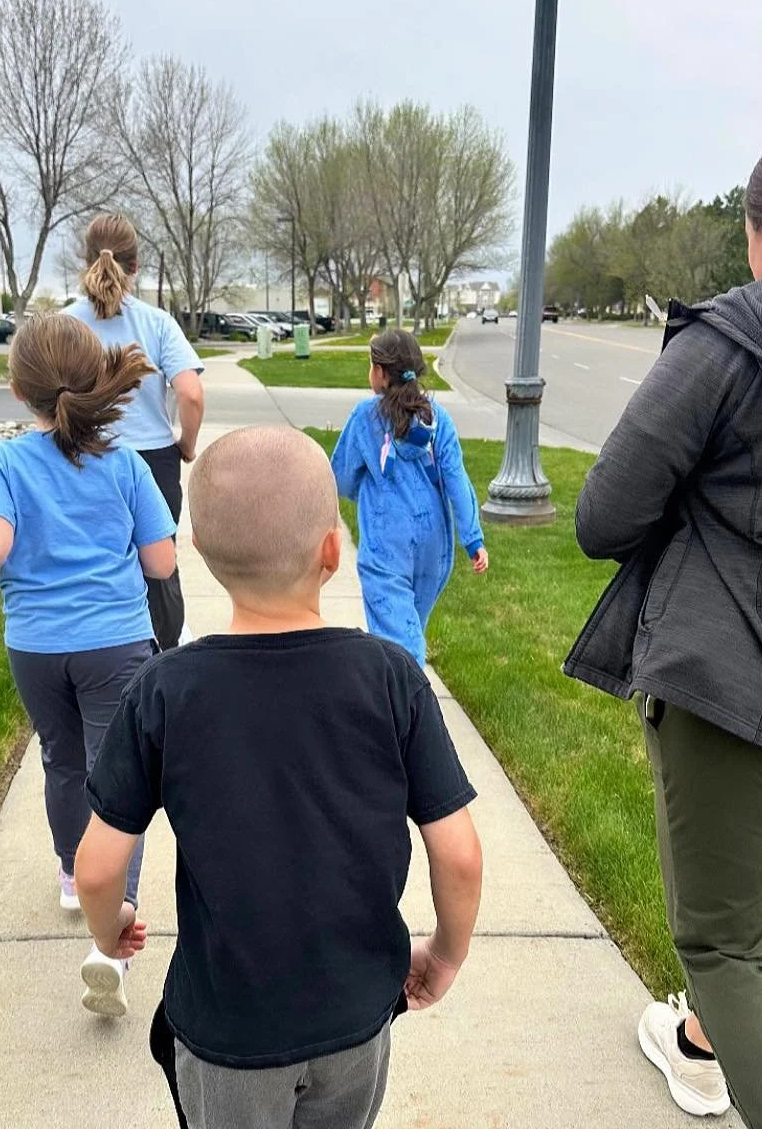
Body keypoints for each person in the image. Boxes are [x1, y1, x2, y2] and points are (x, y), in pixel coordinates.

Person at [565, 120, 762, 1129]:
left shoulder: (728, 342)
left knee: (724, 945)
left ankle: (711, 1037)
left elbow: (603, 518)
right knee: (745, 892)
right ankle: (695, 1040)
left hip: (737, 698)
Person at [73, 426, 484, 1129]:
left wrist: (110, 930)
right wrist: (444, 954)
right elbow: (460, 854)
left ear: (199, 553)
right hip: (356, 1015)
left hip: (227, 1029)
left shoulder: (165, 690)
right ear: (332, 551)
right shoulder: (391, 678)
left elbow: (97, 866)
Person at [0, 314, 176, 1017]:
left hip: (37, 646)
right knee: (120, 776)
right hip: (115, 642)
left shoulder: (2, 464)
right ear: (95, 378)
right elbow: (162, 562)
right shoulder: (125, 464)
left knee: (62, 758)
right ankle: (113, 931)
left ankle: (69, 871)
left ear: (17, 389)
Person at [64, 213, 205, 650]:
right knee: (159, 566)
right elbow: (191, 393)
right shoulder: (157, 323)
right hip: (153, 460)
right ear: (136, 266)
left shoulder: (63, 326)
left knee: (91, 560)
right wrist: (187, 444)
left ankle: (98, 651)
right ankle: (161, 655)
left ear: (85, 260)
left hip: (85, 456)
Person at [330, 329, 488, 668]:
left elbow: (340, 477)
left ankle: (407, 696)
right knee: (410, 627)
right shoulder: (438, 418)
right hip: (434, 547)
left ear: (381, 373)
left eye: (371, 365)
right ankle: (403, 687)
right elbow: (456, 479)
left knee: (398, 644)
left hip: (386, 545)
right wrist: (473, 539)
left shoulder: (366, 417)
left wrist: (363, 488)